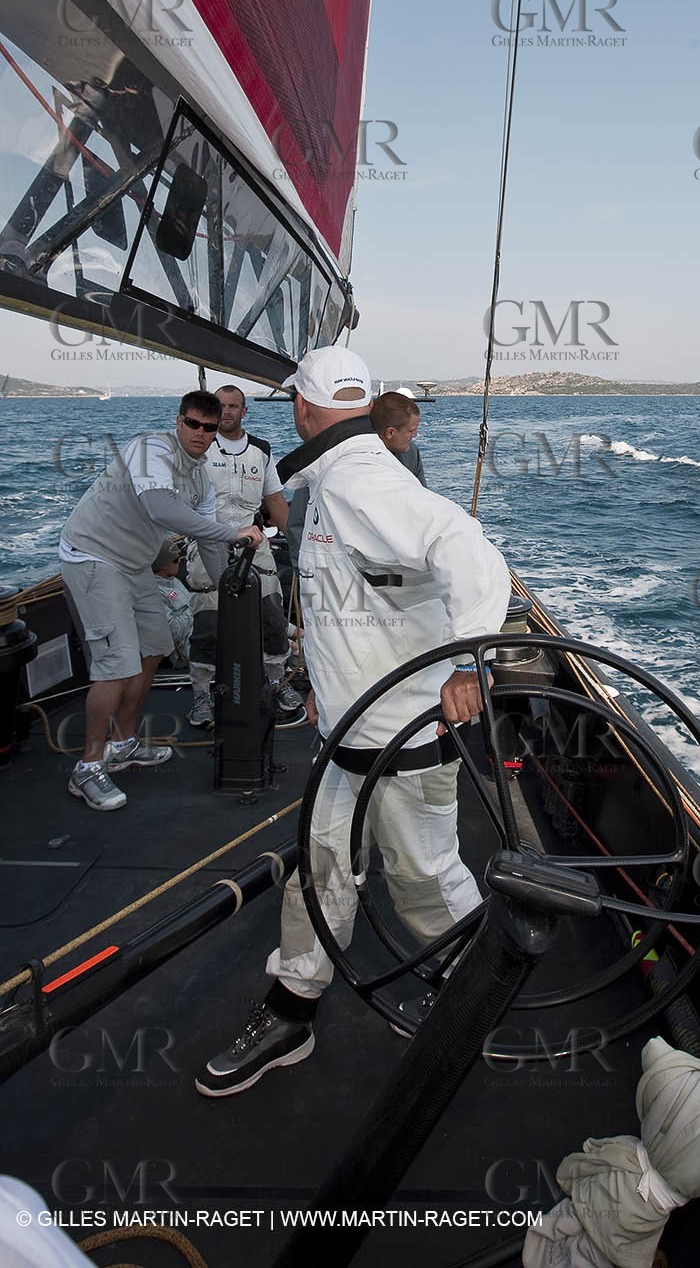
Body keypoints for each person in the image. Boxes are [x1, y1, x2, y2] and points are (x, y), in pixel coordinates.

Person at [196, 346, 512, 1097]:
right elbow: (361, 600)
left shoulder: (365, 483)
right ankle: (292, 1007)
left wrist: (469, 665)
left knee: (423, 880)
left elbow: (468, 550)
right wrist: (324, 689)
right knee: (322, 870)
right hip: (347, 734)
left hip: (404, 744)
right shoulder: (338, 482)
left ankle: (475, 1001)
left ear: (303, 411)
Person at [59, 392, 264, 811]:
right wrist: (231, 533)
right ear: (179, 421)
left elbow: (207, 537)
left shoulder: (201, 476)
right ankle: (87, 767)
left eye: (209, 428)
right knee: (117, 665)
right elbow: (160, 507)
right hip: (93, 555)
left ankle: (123, 744)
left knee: (153, 648)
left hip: (133, 564)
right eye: (194, 424)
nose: (201, 434)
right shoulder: (151, 449)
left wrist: (226, 587)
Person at [184, 385, 305, 729]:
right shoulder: (199, 450)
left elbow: (276, 502)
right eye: (221, 407)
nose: (226, 413)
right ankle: (203, 696)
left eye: (233, 406)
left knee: (271, 618)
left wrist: (297, 544)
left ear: (244, 411)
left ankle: (276, 684)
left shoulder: (260, 452)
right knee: (208, 623)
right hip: (208, 539)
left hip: (253, 543)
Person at [152, 536, 193, 666]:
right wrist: (195, 611)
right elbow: (173, 631)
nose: (180, 562)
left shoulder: (174, 581)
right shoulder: (154, 593)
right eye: (175, 560)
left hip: (200, 630)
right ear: (164, 565)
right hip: (187, 645)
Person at [371, 388, 427, 485]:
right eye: (411, 430)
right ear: (390, 433)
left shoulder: (412, 452)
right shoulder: (363, 459)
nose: (415, 435)